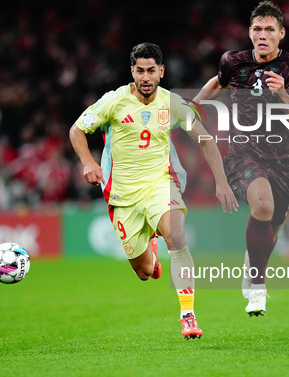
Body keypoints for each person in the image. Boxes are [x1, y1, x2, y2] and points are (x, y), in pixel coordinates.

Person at [69, 43, 238, 339]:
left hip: (161, 183)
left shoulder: (172, 103)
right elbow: (76, 130)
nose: (145, 77)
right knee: (144, 271)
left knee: (177, 235)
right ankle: (152, 255)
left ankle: (188, 315)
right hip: (123, 197)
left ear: (161, 72)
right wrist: (87, 162)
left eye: (151, 71)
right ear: (131, 71)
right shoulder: (114, 102)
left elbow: (206, 140)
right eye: (139, 71)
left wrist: (222, 182)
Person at [193, 1, 289, 316]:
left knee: (271, 230)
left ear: (281, 34)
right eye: (257, 29)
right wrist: (192, 106)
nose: (262, 35)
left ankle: (253, 265)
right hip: (244, 151)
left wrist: (283, 95)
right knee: (263, 204)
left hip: (283, 159)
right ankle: (257, 288)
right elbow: (219, 82)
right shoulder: (234, 61)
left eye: (269, 29)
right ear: (249, 32)